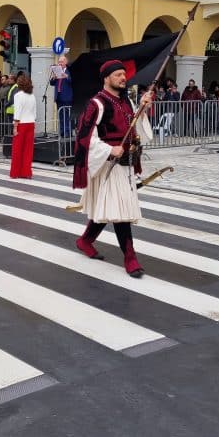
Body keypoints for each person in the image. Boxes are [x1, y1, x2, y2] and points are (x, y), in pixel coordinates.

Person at [72, 61, 154, 278]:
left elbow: (135, 124)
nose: (122, 78)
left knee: (109, 207)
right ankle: (130, 258)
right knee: (120, 213)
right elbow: (84, 137)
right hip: (108, 164)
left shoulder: (126, 100)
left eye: (123, 74)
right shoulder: (96, 104)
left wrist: (143, 109)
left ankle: (85, 240)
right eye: (117, 74)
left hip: (126, 163)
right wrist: (109, 149)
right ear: (106, 78)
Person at [9, 75, 36, 178]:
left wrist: (15, 127)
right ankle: (26, 172)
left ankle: (15, 173)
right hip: (31, 123)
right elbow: (34, 112)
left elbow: (17, 112)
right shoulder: (32, 95)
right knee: (28, 150)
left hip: (21, 124)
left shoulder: (18, 95)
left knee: (17, 149)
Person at [50, 55, 73, 137]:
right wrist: (54, 78)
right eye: (59, 62)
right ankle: (62, 132)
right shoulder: (57, 71)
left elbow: (73, 82)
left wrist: (66, 76)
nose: (60, 63)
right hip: (58, 96)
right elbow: (52, 83)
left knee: (67, 116)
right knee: (61, 115)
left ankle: (68, 132)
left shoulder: (70, 71)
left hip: (67, 97)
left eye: (61, 62)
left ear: (66, 62)